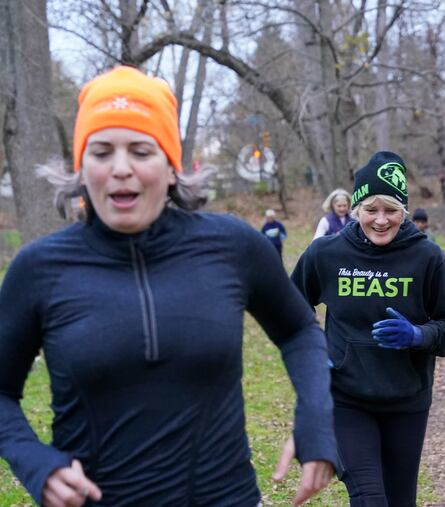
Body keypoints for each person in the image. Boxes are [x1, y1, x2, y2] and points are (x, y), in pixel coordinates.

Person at [0, 65, 336, 507]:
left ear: (172, 167)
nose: (121, 169)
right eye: (101, 152)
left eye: (141, 150)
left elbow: (298, 330)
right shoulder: (40, 268)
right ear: (83, 169)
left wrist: (316, 414)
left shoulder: (231, 246)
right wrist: (35, 463)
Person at [291, 151, 445, 506]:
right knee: (370, 498)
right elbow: (289, 307)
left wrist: (419, 335)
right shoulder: (326, 254)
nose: (381, 220)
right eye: (371, 210)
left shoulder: (427, 257)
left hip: (407, 399)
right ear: (355, 209)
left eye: (391, 210)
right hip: (346, 398)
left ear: (404, 210)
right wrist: (312, 350)